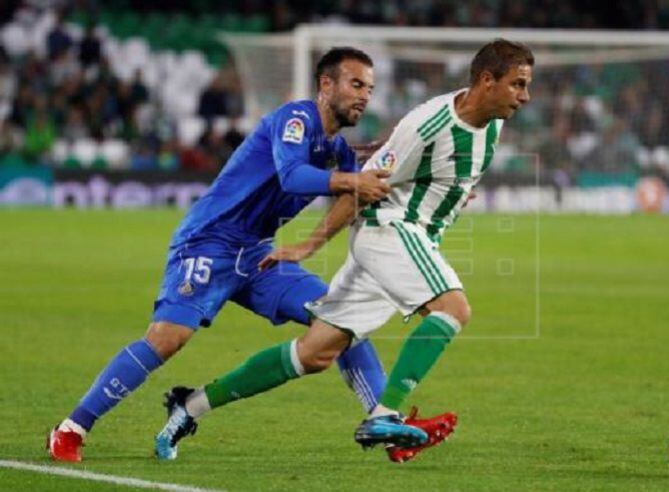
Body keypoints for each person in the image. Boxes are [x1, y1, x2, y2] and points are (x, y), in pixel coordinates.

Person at [47, 47, 456, 463]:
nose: (364, 96)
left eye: (369, 88)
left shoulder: (339, 151)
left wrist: (437, 195)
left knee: (339, 322)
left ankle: (385, 425)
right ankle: (71, 428)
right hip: (209, 241)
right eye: (355, 84)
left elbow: (365, 194)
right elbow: (293, 176)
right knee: (168, 338)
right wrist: (351, 178)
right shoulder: (295, 120)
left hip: (259, 255)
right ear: (325, 84)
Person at [158, 39, 533, 456]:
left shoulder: (494, 123)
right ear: (487, 80)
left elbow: (445, 174)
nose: (525, 96)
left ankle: (190, 405)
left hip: (410, 236)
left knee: (314, 353)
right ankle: (384, 416)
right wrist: (307, 246)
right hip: (390, 229)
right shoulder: (426, 126)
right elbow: (361, 187)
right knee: (452, 308)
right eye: (517, 84)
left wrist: (453, 194)